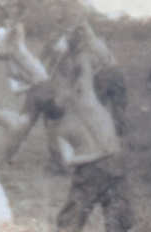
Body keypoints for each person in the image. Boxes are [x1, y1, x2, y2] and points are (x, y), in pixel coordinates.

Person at [51, 31, 135, 231]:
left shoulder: (64, 126)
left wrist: (75, 47)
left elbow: (68, 161)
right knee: (117, 216)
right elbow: (86, 71)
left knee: (73, 219)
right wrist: (82, 40)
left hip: (94, 170)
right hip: (111, 163)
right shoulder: (89, 104)